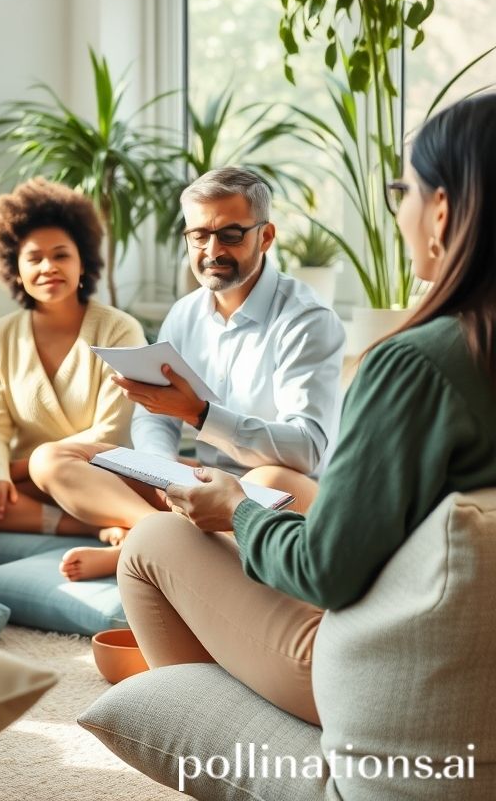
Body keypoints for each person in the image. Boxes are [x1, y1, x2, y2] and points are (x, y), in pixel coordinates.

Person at [117, 98, 496, 725]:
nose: (398, 207)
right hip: (468, 652)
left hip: (396, 680)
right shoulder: (186, 313)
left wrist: (235, 511)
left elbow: (325, 571)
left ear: (443, 211)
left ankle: (221, 738)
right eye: (199, 234)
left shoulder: (414, 366)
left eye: (403, 188)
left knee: (152, 541)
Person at [31, 167, 345, 580]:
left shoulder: (306, 320)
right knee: (52, 457)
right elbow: (154, 414)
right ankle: (153, 534)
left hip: (282, 490)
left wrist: (200, 414)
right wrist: (164, 474)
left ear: (265, 237)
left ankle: (146, 548)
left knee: (267, 477)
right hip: (200, 479)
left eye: (230, 234)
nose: (211, 250)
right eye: (199, 235)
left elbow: (307, 450)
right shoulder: (185, 313)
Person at [0, 178, 147, 534]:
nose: (48, 267)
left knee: (56, 469)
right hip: (28, 483)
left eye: (61, 255)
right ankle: (86, 528)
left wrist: (24, 467)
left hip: (99, 475)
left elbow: (111, 430)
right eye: (34, 258)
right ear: (16, 270)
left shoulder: (120, 330)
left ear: (82, 263)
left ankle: (112, 516)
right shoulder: (0, 335)